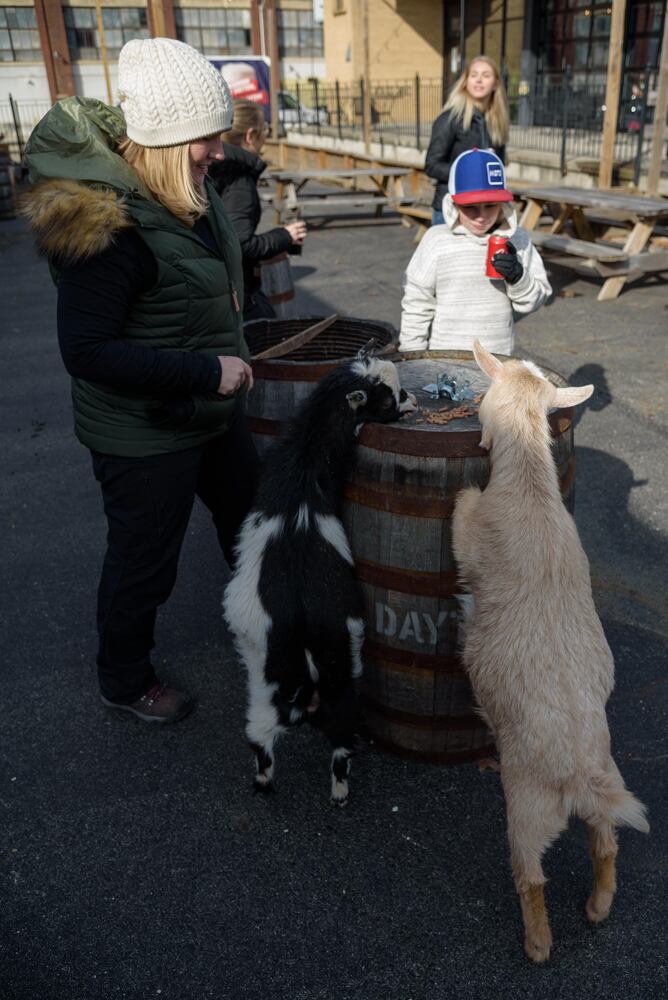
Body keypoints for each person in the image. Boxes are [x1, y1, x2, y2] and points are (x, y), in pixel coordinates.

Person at [22, 38, 259, 724]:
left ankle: (262, 621)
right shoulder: (109, 226)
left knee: (250, 518)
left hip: (208, 409)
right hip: (144, 429)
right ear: (163, 139)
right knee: (144, 562)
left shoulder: (187, 190)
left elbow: (202, 282)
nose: (219, 150)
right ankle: (123, 678)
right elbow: (87, 350)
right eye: (206, 138)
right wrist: (208, 368)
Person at [399, 149, 551, 357]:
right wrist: (411, 355)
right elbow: (417, 301)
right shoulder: (437, 240)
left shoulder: (518, 240)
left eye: (490, 205)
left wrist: (518, 277)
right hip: (446, 357)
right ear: (453, 203)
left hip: (498, 361)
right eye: (470, 207)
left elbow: (533, 302)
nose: (481, 216)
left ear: (504, 204)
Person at [209, 98, 306, 320]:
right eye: (265, 130)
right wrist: (286, 236)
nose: (267, 136)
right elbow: (240, 245)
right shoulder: (239, 179)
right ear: (251, 135)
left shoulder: (221, 169)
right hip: (239, 293)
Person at [425, 55, 509, 225]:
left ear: (496, 84)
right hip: (451, 211)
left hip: (485, 214)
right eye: (473, 75)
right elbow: (431, 165)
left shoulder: (497, 122)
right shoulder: (450, 118)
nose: (479, 80)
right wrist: (467, 175)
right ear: (465, 82)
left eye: (486, 76)